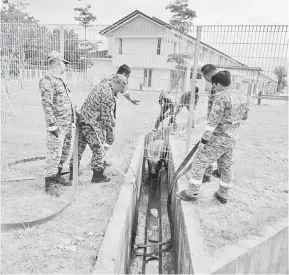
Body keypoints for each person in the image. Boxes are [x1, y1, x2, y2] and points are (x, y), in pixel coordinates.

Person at [176, 70, 249, 204]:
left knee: (198, 162)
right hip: (232, 138)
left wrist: (204, 141)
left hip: (218, 139)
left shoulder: (222, 98)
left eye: (214, 85)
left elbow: (212, 123)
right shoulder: (243, 96)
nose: (214, 88)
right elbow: (245, 117)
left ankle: (192, 192)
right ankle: (223, 195)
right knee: (225, 167)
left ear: (219, 84)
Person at [69, 74, 127, 183]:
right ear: (118, 84)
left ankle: (73, 173)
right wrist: (110, 135)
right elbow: (105, 117)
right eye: (122, 88)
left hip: (82, 121)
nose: (122, 90)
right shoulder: (108, 94)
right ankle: (97, 175)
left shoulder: (102, 86)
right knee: (98, 149)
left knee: (79, 148)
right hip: (91, 124)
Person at [39, 51, 75, 197]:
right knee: (54, 153)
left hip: (66, 125)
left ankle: (58, 174)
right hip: (58, 126)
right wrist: (52, 125)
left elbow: (65, 102)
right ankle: (50, 183)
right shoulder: (47, 79)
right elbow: (47, 104)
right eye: (64, 63)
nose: (65, 66)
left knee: (64, 152)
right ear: (57, 62)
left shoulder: (60, 80)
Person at [200, 64, 220, 183]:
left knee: (208, 148)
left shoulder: (218, 86)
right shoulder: (221, 83)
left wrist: (210, 127)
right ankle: (219, 171)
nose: (205, 80)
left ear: (209, 74)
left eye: (204, 77)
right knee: (221, 149)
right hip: (220, 124)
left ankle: (206, 175)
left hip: (215, 123)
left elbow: (216, 108)